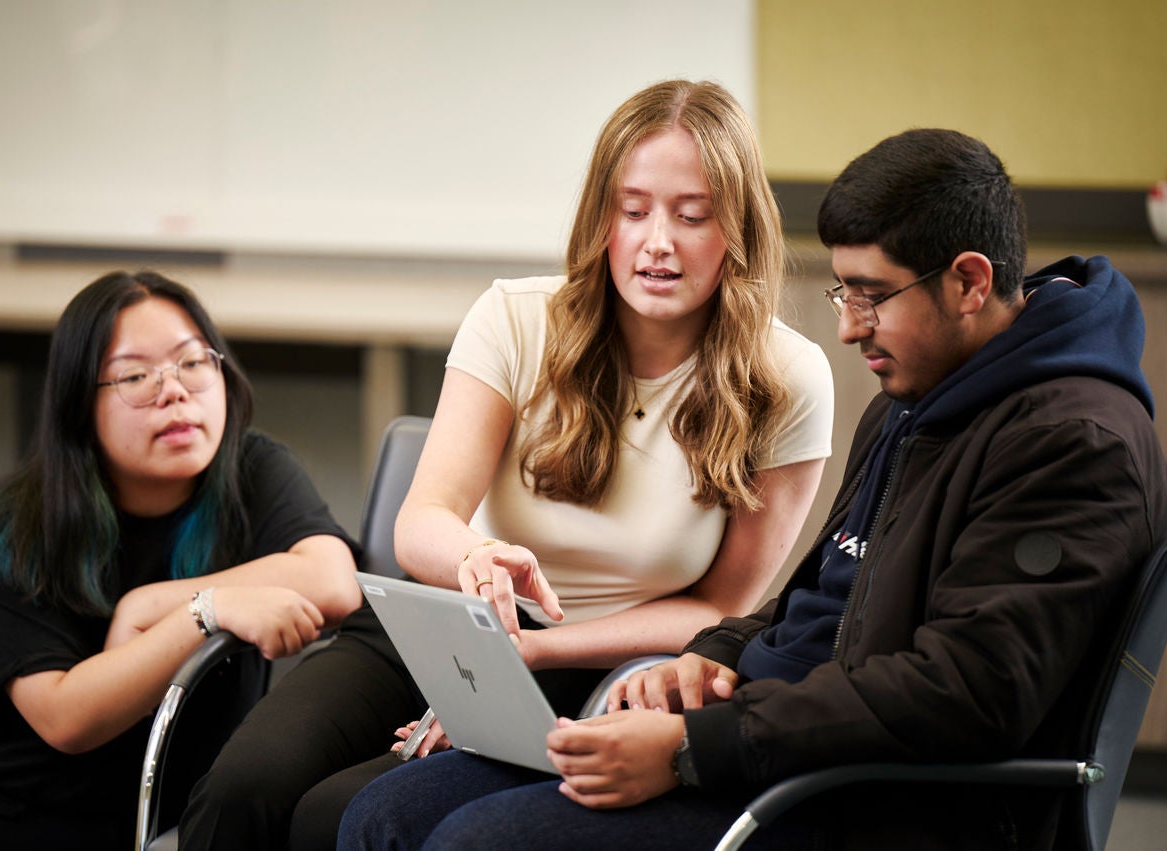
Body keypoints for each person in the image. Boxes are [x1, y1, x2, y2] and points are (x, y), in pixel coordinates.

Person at [336, 129, 1167, 850]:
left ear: (969, 281)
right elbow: (815, 599)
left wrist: (690, 746)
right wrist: (711, 658)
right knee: (386, 814)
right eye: (844, 291)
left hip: (872, 795)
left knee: (468, 842)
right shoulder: (927, 394)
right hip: (780, 742)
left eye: (874, 297)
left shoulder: (1074, 446)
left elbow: (967, 694)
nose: (849, 325)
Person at [179, 79, 834, 851]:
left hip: (599, 667)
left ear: (738, 229)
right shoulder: (516, 318)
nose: (659, 240)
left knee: (338, 814)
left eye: (692, 216)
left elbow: (721, 610)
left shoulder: (788, 376)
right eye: (632, 211)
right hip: (449, 620)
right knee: (241, 789)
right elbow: (421, 521)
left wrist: (530, 653)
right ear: (601, 220)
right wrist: (478, 557)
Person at [0, 271, 363, 851]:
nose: (174, 391)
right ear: (80, 405)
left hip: (175, 830)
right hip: (24, 829)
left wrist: (148, 605)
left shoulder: (251, 470)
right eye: (134, 376)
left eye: (192, 363)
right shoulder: (20, 522)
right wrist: (206, 611)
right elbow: (67, 717)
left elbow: (334, 580)